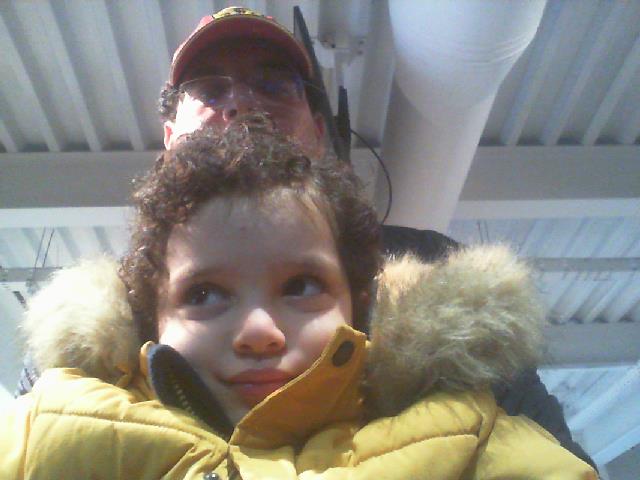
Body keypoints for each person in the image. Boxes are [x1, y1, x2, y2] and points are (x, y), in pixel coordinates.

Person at [1, 123, 596, 479]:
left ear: (359, 305)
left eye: (302, 286)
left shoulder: (471, 438)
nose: (259, 330)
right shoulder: (49, 429)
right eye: (204, 294)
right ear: (147, 320)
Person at [157, 6, 597, 469]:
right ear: (170, 138)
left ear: (319, 131)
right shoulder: (125, 310)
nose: (243, 103)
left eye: (273, 85)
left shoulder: (438, 270)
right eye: (209, 90)